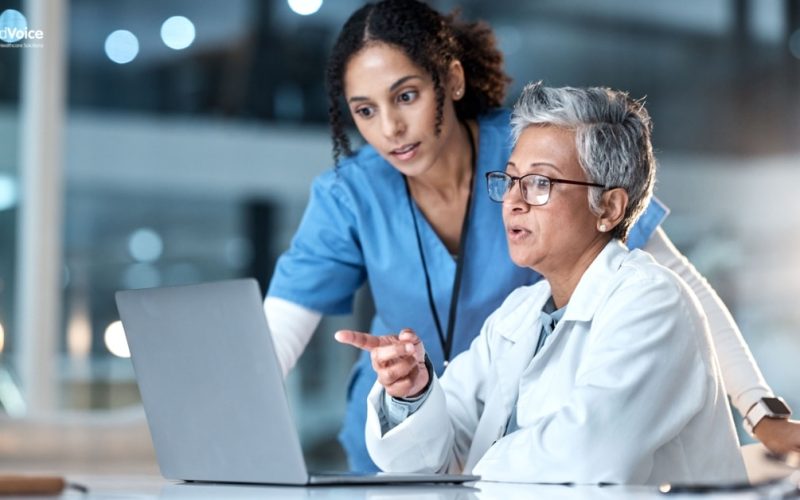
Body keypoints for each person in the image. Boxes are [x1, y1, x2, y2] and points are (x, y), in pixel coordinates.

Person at [265, 0, 799, 472]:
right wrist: (413, 395)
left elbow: (680, 287)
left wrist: (758, 407)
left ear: (450, 80)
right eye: (365, 111)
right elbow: (272, 344)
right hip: (431, 438)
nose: (389, 129)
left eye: (405, 96)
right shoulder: (355, 197)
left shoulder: (530, 152)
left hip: (522, 457)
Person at [336, 83, 748, 484]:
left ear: (608, 207)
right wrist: (413, 395)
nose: (514, 200)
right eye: (511, 179)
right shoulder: (521, 312)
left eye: (539, 183)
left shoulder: (652, 302)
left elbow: (589, 455)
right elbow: (432, 455)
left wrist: (471, 470)